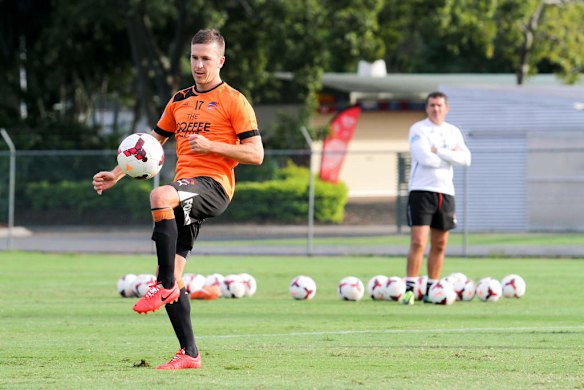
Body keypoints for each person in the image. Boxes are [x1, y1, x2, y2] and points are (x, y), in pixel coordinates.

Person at [92, 28, 264, 369]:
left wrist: (212, 145)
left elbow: (256, 154)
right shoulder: (179, 99)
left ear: (221, 61)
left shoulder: (234, 100)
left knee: (159, 195)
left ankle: (164, 285)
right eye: (194, 57)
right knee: (169, 264)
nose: (199, 65)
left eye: (206, 59)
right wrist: (116, 172)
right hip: (185, 188)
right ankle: (190, 353)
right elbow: (148, 146)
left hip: (214, 186)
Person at [400, 91, 471, 305]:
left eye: (440, 105)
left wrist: (439, 150)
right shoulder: (418, 129)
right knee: (419, 241)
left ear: (446, 108)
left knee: (440, 244)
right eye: (432, 105)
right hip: (421, 191)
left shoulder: (453, 131)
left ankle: (433, 288)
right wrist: (449, 155)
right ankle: (410, 289)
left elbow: (466, 159)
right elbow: (425, 159)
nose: (436, 109)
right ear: (426, 107)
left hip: (445, 192)